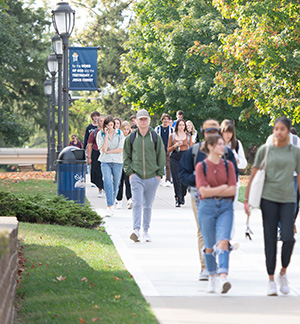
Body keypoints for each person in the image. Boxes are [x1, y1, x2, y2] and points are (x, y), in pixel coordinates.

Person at [244, 116, 300, 296]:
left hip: (288, 199)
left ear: (288, 131)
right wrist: (247, 200)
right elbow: (253, 176)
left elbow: (299, 178)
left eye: (282, 129)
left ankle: (283, 272)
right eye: (276, 128)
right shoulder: (265, 150)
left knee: (288, 237)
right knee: (270, 239)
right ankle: (270, 279)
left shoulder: (295, 152)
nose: (279, 132)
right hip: (268, 199)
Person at [178, 119, 239, 281]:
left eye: (215, 132)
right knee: (203, 232)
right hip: (199, 197)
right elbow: (182, 174)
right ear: (203, 133)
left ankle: (218, 265)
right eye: (208, 132)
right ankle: (205, 267)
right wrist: (201, 180)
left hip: (222, 198)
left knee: (221, 232)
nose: (212, 134)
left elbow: (234, 176)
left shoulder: (226, 152)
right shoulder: (194, 151)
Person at [196, 134, 236, 294]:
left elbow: (233, 189)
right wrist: (223, 188)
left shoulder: (228, 166)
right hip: (206, 208)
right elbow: (203, 191)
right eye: (219, 144)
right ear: (211, 146)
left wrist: (213, 191)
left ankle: (223, 277)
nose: (223, 146)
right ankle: (212, 278)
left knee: (224, 241)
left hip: (226, 207)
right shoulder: (201, 167)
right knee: (209, 245)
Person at [123, 109, 165, 243]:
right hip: (137, 176)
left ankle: (146, 231)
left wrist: (159, 175)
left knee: (147, 206)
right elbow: (126, 156)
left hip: (152, 177)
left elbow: (161, 155)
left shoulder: (155, 137)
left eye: (145, 119)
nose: (143, 121)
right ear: (136, 121)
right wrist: (130, 173)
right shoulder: (131, 138)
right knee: (137, 203)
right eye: (140, 119)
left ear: (149, 120)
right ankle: (136, 230)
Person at [96, 115, 125, 216]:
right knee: (107, 181)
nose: (110, 127)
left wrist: (109, 152)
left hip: (118, 161)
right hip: (105, 161)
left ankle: (111, 203)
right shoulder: (100, 134)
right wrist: (106, 135)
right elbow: (103, 149)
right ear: (105, 125)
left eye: (112, 125)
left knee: (116, 184)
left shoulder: (119, 133)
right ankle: (109, 206)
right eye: (108, 125)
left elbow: (121, 148)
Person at [167, 119, 192, 207]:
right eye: (180, 125)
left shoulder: (188, 136)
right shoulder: (172, 136)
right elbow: (168, 149)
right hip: (174, 157)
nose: (181, 127)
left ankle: (182, 194)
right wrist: (175, 145)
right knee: (176, 178)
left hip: (185, 157)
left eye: (183, 125)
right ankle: (177, 198)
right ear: (177, 126)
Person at [87, 115, 105, 197]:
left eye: (103, 121)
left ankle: (104, 187)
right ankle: (100, 188)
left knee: (104, 171)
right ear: (98, 123)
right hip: (96, 152)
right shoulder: (93, 133)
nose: (102, 122)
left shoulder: (108, 132)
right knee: (96, 171)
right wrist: (89, 157)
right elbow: (89, 145)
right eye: (100, 121)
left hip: (105, 153)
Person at [116, 121, 133, 209]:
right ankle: (118, 200)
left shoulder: (131, 138)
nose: (126, 131)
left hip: (128, 163)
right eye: (124, 129)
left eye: (127, 129)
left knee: (128, 182)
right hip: (119, 162)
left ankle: (129, 199)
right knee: (119, 182)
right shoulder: (118, 137)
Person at [155, 113, 174, 187]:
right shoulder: (158, 128)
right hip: (160, 149)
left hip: (168, 149)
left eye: (167, 119)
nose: (166, 121)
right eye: (164, 119)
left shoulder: (171, 129)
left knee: (168, 164)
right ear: (162, 120)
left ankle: (168, 180)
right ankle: (160, 178)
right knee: (159, 164)